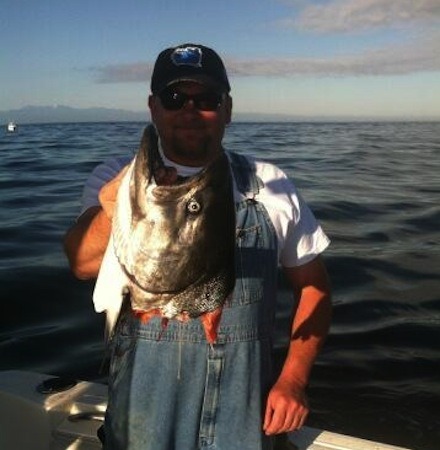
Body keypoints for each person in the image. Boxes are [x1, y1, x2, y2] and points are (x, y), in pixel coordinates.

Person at [64, 43, 332, 450]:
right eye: (175, 98)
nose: (190, 110)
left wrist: (293, 380)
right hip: (142, 420)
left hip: (245, 418)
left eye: (206, 99)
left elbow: (315, 287)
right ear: (153, 107)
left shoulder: (270, 185)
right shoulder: (115, 180)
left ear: (227, 109)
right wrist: (112, 209)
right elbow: (82, 263)